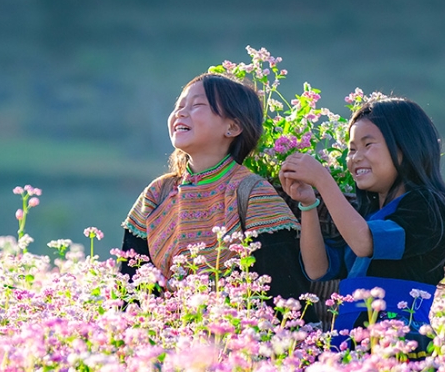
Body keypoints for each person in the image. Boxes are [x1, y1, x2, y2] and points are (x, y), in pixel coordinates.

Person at [120, 72, 316, 321]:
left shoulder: (254, 194)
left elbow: (284, 296)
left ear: (232, 127)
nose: (181, 113)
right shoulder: (157, 195)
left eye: (197, 105)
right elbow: (129, 289)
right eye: (179, 106)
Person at [279, 97, 445, 354]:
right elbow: (317, 268)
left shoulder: (428, 206)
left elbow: (365, 242)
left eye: (368, 145)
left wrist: (323, 179)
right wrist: (309, 204)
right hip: (349, 340)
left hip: (399, 343)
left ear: (405, 148)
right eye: (352, 149)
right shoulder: (367, 217)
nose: (356, 157)